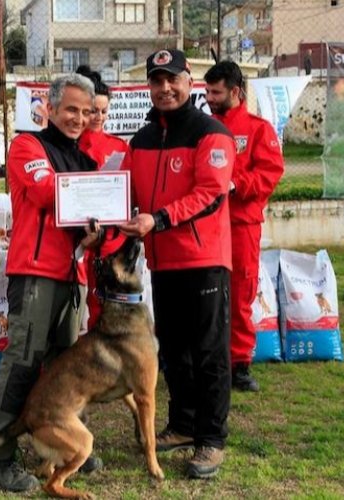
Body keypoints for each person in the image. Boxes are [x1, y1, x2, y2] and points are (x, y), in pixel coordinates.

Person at [0, 74, 101, 492]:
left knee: (66, 369)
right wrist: (97, 196)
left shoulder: (86, 159)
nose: (79, 118)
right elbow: (46, 191)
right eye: (70, 110)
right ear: (48, 109)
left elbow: (93, 215)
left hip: (73, 275)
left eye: (86, 112)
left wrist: (96, 230)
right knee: (22, 364)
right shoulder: (28, 146)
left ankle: (65, 444)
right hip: (35, 272)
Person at [119, 49, 235, 479]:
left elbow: (211, 193)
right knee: (175, 349)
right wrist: (100, 220)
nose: (165, 88)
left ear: (190, 81)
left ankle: (211, 438)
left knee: (208, 352)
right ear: (149, 86)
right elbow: (123, 192)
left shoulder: (212, 134)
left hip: (204, 260)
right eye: (157, 80)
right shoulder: (143, 139)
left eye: (173, 79)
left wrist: (160, 219)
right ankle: (183, 425)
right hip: (163, 262)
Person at [204, 61, 285, 392]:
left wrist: (235, 185)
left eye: (215, 92)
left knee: (240, 293)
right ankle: (209, 360)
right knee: (207, 295)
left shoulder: (258, 129)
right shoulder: (204, 128)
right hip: (206, 225)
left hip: (240, 225)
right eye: (207, 91)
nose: (209, 97)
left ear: (235, 92)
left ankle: (239, 364)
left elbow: (271, 172)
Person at [74, 66, 129, 329]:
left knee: (106, 302)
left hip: (110, 237)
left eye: (104, 111)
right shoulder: (71, 144)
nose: (99, 117)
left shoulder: (118, 146)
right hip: (77, 235)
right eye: (94, 110)